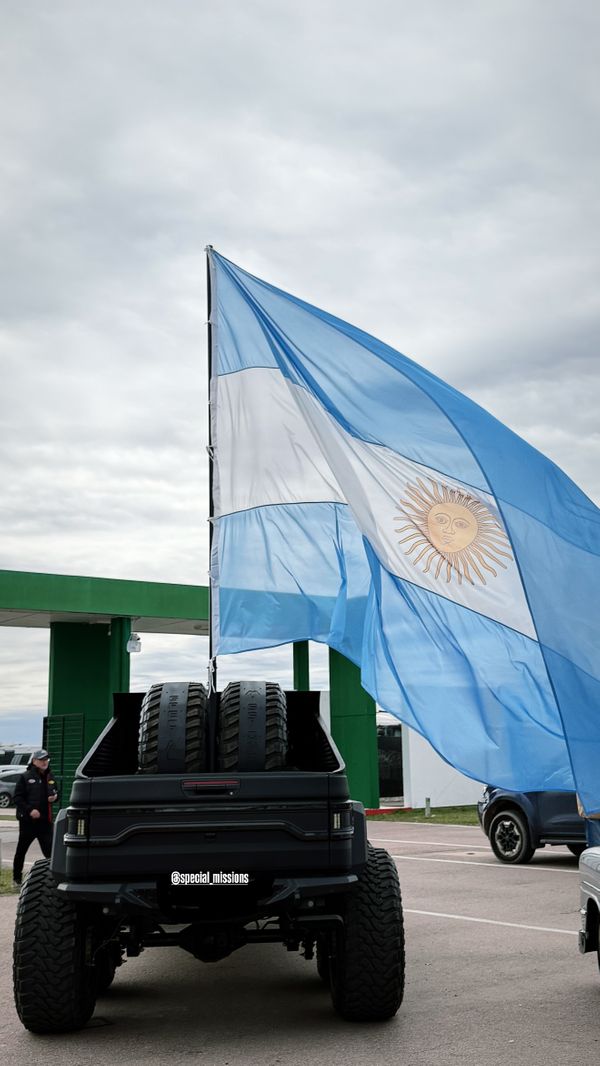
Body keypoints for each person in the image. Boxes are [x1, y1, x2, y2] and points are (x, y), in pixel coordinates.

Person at [12, 749, 59, 888]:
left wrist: (55, 798)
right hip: (28, 823)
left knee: (50, 852)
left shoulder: (50, 776)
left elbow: (56, 792)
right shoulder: (26, 777)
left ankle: (54, 880)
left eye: (46, 759)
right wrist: (30, 810)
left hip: (45, 822)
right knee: (21, 850)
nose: (44, 762)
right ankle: (16, 880)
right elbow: (17, 798)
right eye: (41, 759)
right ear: (34, 761)